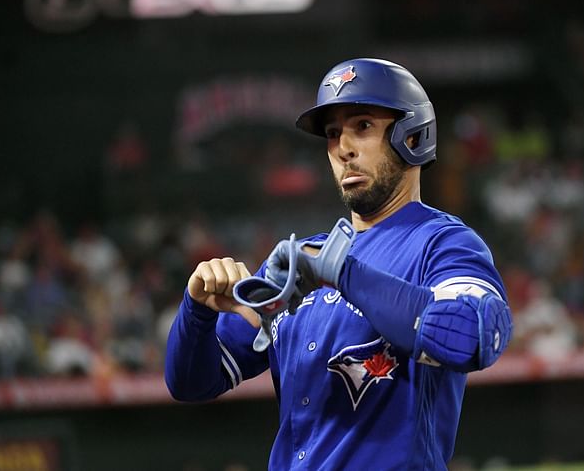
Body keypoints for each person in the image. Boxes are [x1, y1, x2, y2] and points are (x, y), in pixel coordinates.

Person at [165, 58, 512, 470]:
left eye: (362, 126)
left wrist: (342, 272)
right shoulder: (303, 259)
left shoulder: (442, 242)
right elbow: (191, 383)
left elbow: (472, 336)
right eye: (332, 134)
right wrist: (197, 310)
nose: (342, 148)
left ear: (412, 137)